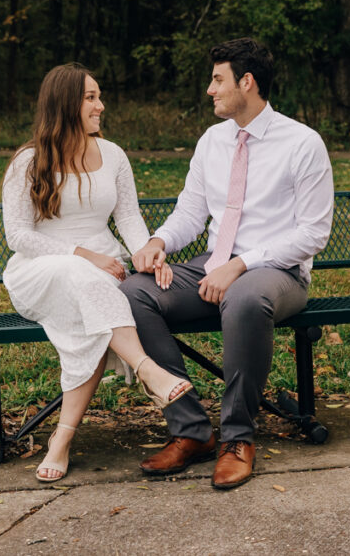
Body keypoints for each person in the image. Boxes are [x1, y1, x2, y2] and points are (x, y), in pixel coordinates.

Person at [120, 38, 334, 490]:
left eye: (218, 79)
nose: (209, 90)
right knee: (134, 294)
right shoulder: (213, 141)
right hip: (213, 264)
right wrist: (158, 241)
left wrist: (240, 265)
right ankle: (192, 429)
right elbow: (192, 212)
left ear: (247, 82)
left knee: (243, 298)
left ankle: (237, 437)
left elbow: (312, 235)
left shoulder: (302, 143)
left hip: (278, 273)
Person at [1, 63, 192, 483]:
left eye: (98, 96)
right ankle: (147, 370)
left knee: (94, 308)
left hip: (102, 267)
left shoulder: (114, 155)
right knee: (85, 281)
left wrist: (147, 252)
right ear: (65, 103)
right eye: (90, 97)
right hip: (41, 269)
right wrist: (81, 253)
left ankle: (62, 440)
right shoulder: (28, 161)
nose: (100, 105)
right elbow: (18, 235)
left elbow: (127, 216)